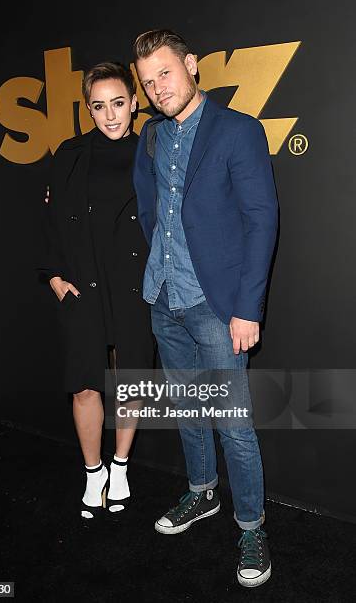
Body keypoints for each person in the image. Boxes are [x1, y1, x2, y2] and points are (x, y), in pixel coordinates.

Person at [132, 30, 278, 587]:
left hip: (218, 308)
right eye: (147, 81)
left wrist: (247, 307)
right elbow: (151, 209)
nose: (156, 88)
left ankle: (250, 527)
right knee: (189, 412)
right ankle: (201, 495)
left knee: (232, 423)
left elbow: (261, 221)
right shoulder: (151, 135)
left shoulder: (238, 130)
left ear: (192, 66)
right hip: (164, 298)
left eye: (164, 73)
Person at [39, 62, 154, 519]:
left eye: (119, 103)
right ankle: (94, 472)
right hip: (82, 284)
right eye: (99, 106)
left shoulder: (154, 148)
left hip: (135, 282)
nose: (110, 116)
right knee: (86, 385)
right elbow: (48, 221)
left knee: (130, 380)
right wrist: (52, 275)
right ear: (88, 109)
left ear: (134, 102)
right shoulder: (68, 153)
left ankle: (121, 465)